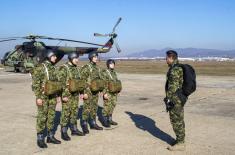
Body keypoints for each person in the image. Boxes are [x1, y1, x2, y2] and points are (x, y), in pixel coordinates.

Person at [31, 50, 61, 148]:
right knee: (42, 117)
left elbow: (56, 83)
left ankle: (50, 136)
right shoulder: (40, 67)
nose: (55, 58)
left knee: (51, 116)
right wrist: (38, 97)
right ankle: (40, 138)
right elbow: (35, 84)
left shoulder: (53, 67)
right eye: (54, 56)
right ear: (48, 56)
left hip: (52, 96)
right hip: (43, 96)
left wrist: (57, 95)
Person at [58, 52, 85, 141]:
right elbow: (61, 84)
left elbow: (79, 81)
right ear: (70, 58)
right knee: (66, 113)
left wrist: (81, 92)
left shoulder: (76, 69)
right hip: (67, 95)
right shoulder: (64, 68)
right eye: (75, 58)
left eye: (77, 58)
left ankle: (74, 129)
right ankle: (64, 131)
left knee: (74, 111)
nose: (77, 60)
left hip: (75, 94)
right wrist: (63, 95)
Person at [164, 50, 187, 151]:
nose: (166, 60)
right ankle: (179, 139)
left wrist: (168, 99)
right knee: (179, 120)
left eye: (166, 58)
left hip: (175, 99)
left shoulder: (174, 70)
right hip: (179, 98)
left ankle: (181, 143)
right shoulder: (178, 68)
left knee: (176, 121)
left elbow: (172, 87)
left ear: (171, 58)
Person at [80, 51, 104, 134]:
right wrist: (84, 92)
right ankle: (84, 124)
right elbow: (82, 80)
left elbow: (99, 80)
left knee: (94, 107)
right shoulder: (86, 67)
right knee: (86, 108)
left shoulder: (97, 68)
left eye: (97, 57)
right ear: (90, 58)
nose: (96, 58)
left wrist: (101, 90)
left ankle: (93, 123)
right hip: (88, 91)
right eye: (94, 57)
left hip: (95, 91)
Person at [100, 59, 120, 127]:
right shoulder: (105, 72)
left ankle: (110, 119)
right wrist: (104, 93)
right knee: (107, 106)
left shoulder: (113, 72)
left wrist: (117, 90)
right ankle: (105, 121)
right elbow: (103, 83)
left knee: (113, 105)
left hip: (114, 92)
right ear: (108, 65)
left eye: (113, 63)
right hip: (108, 92)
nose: (112, 65)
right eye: (111, 64)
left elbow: (116, 82)